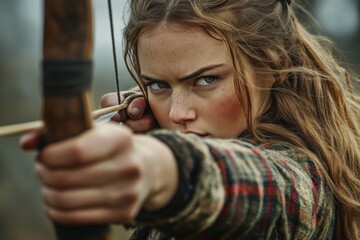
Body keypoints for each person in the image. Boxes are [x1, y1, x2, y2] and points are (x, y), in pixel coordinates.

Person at [21, 0, 360, 239]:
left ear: (271, 65)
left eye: (206, 80)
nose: (176, 113)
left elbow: (265, 189)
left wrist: (158, 168)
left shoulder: (307, 178)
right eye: (158, 85)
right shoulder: (158, 127)